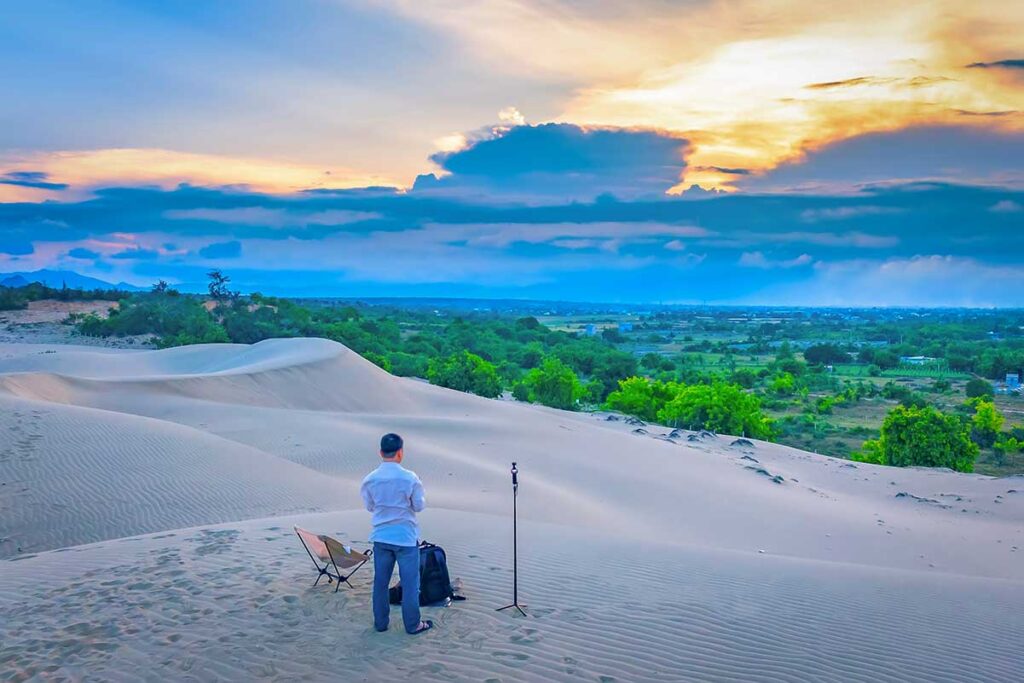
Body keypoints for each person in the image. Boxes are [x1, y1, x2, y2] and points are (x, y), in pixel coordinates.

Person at [360, 432, 433, 635]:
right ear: (400, 453)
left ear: (381, 452)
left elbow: (370, 506)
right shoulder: (410, 478)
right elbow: (419, 506)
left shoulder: (370, 479)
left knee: (380, 583)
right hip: (405, 538)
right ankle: (413, 625)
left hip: (381, 537)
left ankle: (381, 624)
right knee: (411, 584)